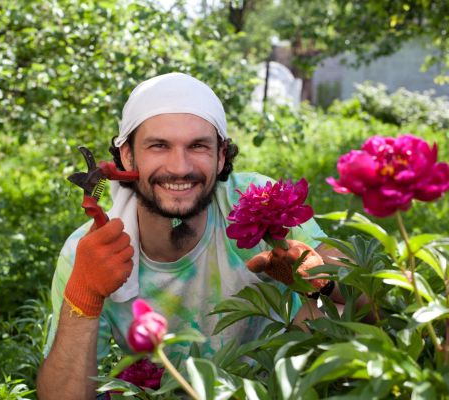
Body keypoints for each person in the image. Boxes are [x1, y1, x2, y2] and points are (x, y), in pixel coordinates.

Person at [36, 72, 346, 400]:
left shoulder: (256, 201)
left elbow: (372, 302)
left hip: (274, 387)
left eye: (197, 146)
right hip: (170, 393)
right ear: (127, 156)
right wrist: (84, 294)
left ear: (221, 155)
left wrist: (319, 280)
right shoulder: (90, 249)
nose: (180, 166)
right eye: (159, 146)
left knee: (336, 314)